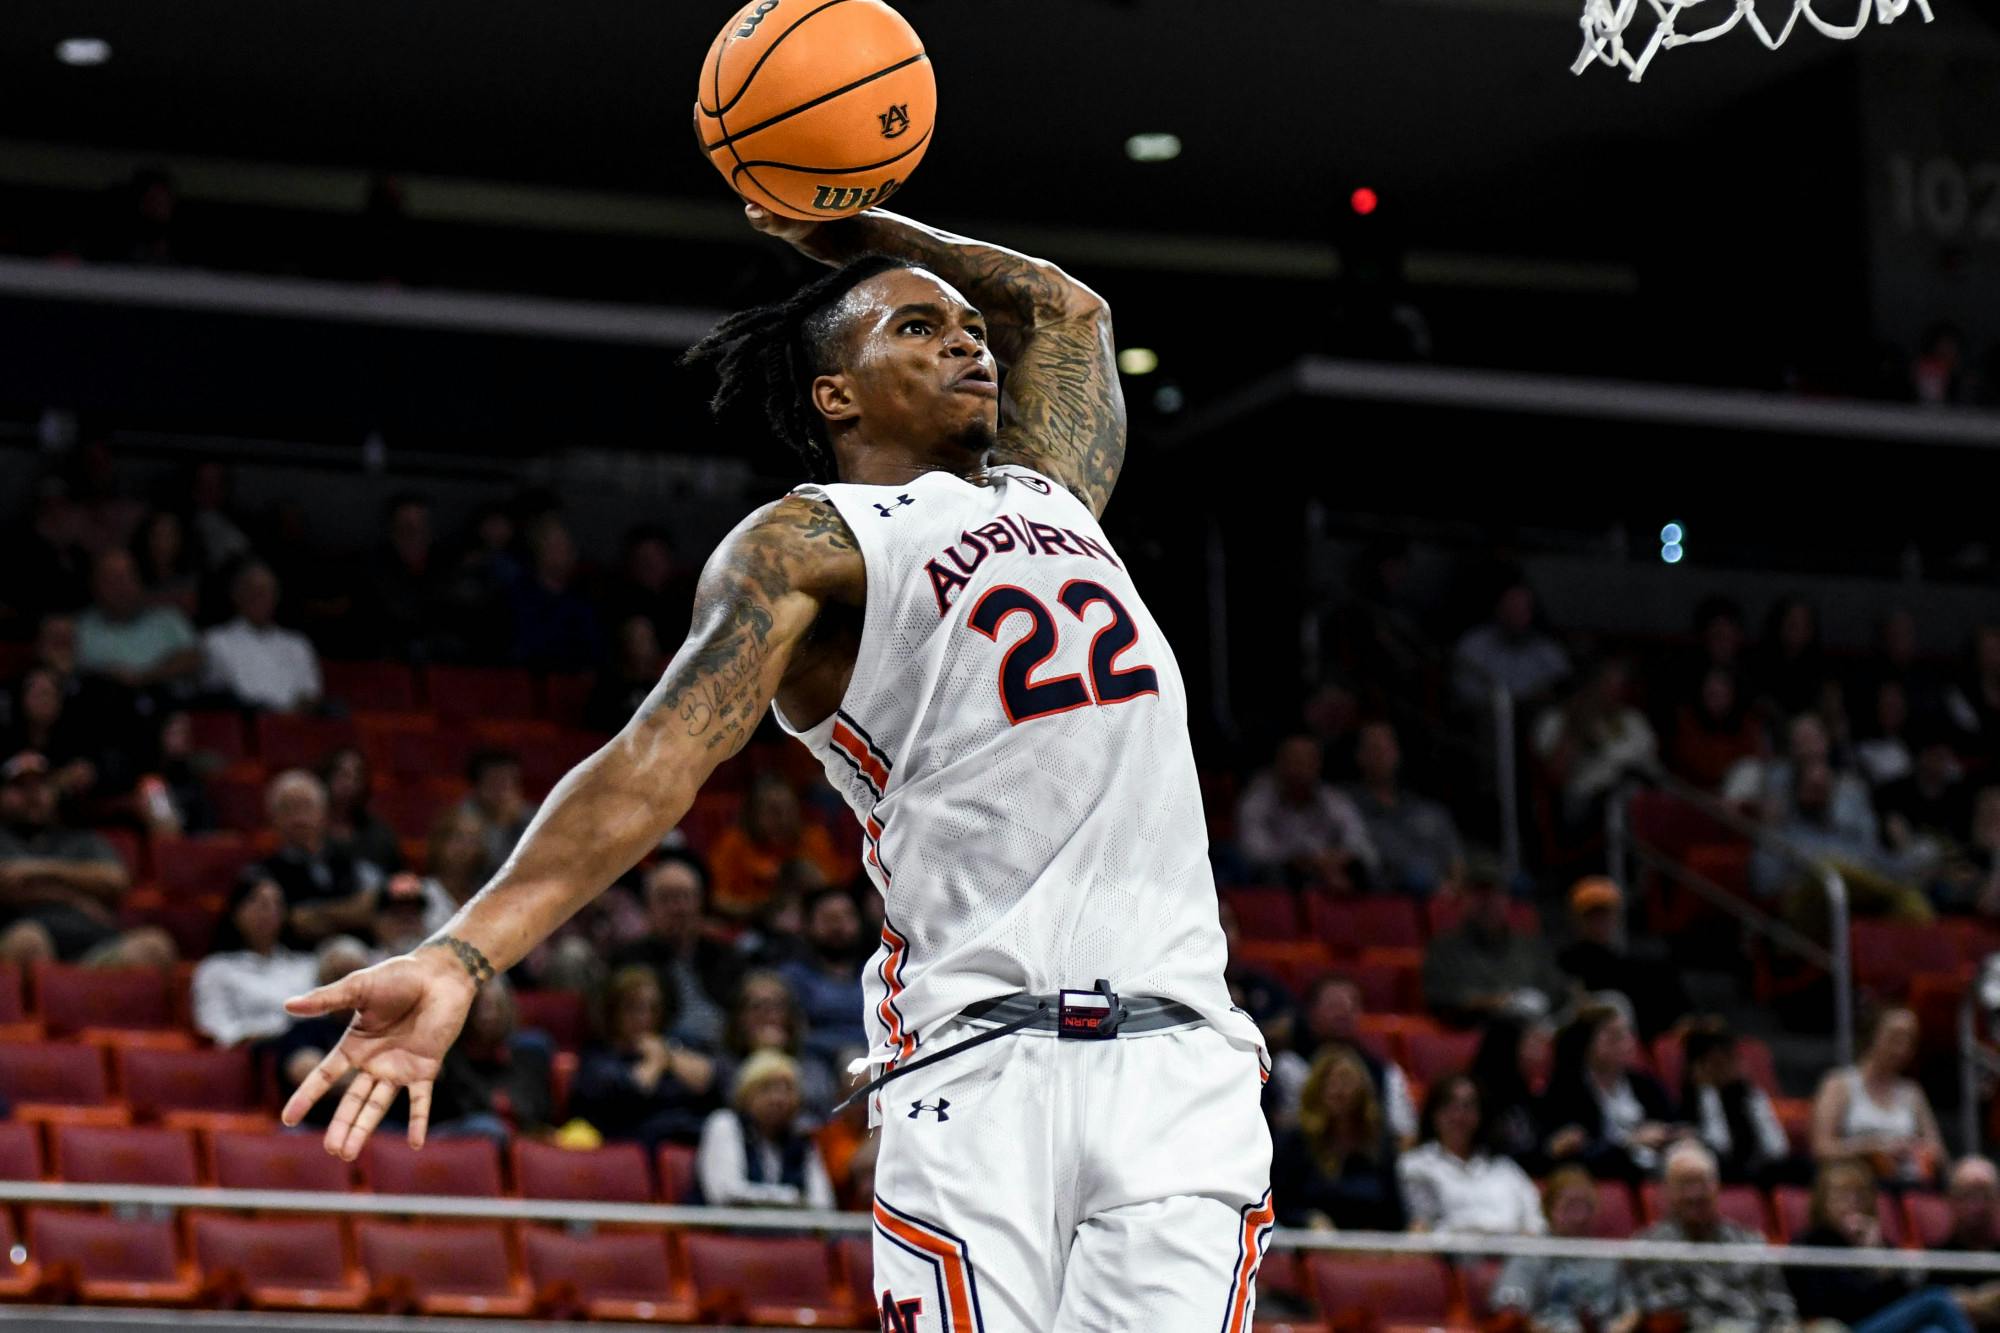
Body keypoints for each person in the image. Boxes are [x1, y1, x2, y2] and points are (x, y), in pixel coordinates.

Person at [279, 203, 1279, 1329]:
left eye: (965, 327)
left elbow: (1063, 307)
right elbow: (654, 758)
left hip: (1180, 1055)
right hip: (980, 1061)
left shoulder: (1055, 494)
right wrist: (465, 954)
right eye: (916, 327)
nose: (967, 342)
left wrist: (860, 232)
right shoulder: (812, 543)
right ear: (834, 395)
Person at [0, 750, 156, 966]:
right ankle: (50, 996)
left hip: (92, 951)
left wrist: (34, 870)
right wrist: (76, 898)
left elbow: (115, 881)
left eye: (41, 785)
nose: (33, 794)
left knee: (153, 946)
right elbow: (6, 885)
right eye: (20, 787)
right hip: (27, 935)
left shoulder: (82, 839)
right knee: (28, 940)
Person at [1787, 1155, 1973, 1333]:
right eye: (1841, 1195)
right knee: (1936, 1299)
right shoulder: (1808, 1245)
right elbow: (1832, 1307)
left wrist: (1875, 1254)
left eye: (1859, 1196)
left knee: (1933, 1331)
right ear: (1822, 1201)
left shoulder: (1876, 1242)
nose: (1852, 1204)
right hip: (1842, 1329)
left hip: (1884, 1326)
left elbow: (1903, 1298)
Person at [1629, 1140, 1800, 1332]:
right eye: (1684, 1183)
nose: (1695, 1194)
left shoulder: (1751, 1241)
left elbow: (1780, 1305)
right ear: (1666, 1191)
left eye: (1702, 1182)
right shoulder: (1648, 1247)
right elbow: (1667, 1311)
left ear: (1717, 1187)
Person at [570, 965, 717, 1147]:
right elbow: (631, 1093)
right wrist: (655, 1062)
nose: (644, 1017)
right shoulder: (598, 1059)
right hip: (629, 1146)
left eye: (652, 1008)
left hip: (686, 1138)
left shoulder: (672, 1044)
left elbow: (708, 1079)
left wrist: (667, 1056)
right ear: (613, 1011)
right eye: (634, 1008)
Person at [610, 853, 742, 1050]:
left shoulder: (726, 956)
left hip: (725, 1052)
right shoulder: (629, 959)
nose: (678, 908)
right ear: (648, 908)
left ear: (700, 904)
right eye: (666, 898)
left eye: (684, 897)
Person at [1266, 974, 1417, 1144]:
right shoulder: (1286, 1065)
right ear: (1310, 1012)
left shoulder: (1384, 1071)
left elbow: (1405, 1133)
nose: (1343, 1012)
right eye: (1334, 1005)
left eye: (1351, 1006)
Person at [1537, 1001, 1678, 1181]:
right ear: (1587, 1042)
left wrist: (1667, 1133)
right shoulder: (1566, 1090)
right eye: (1613, 1036)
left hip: (1656, 1165)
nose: (1624, 1044)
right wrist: (1628, 1143)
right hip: (1604, 1174)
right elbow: (1574, 1148)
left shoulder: (1644, 1084)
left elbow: (1671, 1123)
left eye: (1626, 1035)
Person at [1269, 1046, 1405, 1231]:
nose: (1339, 1090)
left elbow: (1394, 1213)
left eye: (1346, 1081)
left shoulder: (1379, 1144)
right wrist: (1307, 1219)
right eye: (1330, 1081)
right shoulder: (1296, 1141)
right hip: (1306, 1245)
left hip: (1369, 1248)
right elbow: (1279, 1204)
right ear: (1317, 1088)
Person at [1489, 1166, 1638, 1333]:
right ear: (1549, 1209)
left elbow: (1631, 1311)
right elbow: (1512, 1310)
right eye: (1571, 1207)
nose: (1580, 1216)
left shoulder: (1607, 1256)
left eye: (1586, 1207)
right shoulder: (1530, 1253)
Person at [1809, 1005, 1945, 1187]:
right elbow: (1821, 1149)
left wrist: (1916, 1150)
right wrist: (1870, 1148)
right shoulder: (1839, 1084)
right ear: (1873, 1034)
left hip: (1906, 1185)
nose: (1902, 1048)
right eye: (1895, 1037)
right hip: (1854, 1185)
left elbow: (1938, 1153)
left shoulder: (1912, 1093)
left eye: (1910, 1040)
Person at [1397, 1074, 1544, 1235]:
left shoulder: (1505, 1168)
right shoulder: (1415, 1166)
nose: (1459, 1116)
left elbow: (1535, 1221)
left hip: (1513, 1255)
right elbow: (1421, 1227)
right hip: (1451, 1256)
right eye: (1449, 1105)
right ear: (1434, 1113)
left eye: (1468, 1106)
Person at [1421, 871, 1572, 1025]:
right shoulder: (1444, 948)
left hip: (1532, 1032)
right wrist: (1497, 1002)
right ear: (1463, 900)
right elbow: (1439, 997)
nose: (1488, 902)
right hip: (1476, 1033)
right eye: (1479, 894)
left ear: (1506, 899)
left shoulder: (1530, 947)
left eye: (1495, 894)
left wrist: (1538, 1002)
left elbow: (1558, 991)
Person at [694, 1049, 837, 1210]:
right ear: (747, 1095)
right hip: (727, 1233)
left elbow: (823, 1203)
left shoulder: (802, 1139)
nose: (778, 1099)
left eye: (787, 1090)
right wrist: (791, 1198)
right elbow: (725, 1193)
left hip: (786, 1234)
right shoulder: (725, 1123)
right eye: (767, 1088)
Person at [1236, 733, 1379, 892]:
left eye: (1308, 761)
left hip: (1333, 875)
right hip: (1281, 882)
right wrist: (1307, 861)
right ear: (1279, 763)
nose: (1301, 767)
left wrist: (1336, 859)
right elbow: (1254, 851)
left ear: (1318, 765)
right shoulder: (1258, 800)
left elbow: (1363, 846)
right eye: (1294, 760)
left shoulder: (1335, 800)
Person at [191, 871, 320, 1046]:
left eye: (277, 904)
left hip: (315, 1045)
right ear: (236, 912)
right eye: (260, 903)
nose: (270, 912)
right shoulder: (215, 969)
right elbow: (216, 1027)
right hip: (261, 1053)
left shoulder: (306, 965)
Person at [257, 769, 381, 947]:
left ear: (324, 813)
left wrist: (316, 914)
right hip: (291, 961)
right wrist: (347, 913)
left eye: (306, 806)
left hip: (359, 957)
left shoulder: (353, 863)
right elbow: (295, 923)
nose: (299, 818)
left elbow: (371, 908)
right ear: (273, 818)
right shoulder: (262, 873)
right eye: (288, 808)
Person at [1554, 877, 1690, 1040]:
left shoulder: (1622, 959)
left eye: (1605, 914)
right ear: (1578, 920)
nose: (1600, 921)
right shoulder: (1569, 960)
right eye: (1592, 915)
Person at [706, 774, 850, 922]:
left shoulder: (814, 838)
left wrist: (818, 885)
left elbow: (837, 890)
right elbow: (716, 899)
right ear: (753, 814)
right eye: (773, 811)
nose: (783, 818)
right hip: (749, 926)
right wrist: (764, 906)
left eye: (789, 809)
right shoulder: (733, 843)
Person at [1343, 719, 1463, 895]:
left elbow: (1456, 863)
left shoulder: (1428, 811)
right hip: (1379, 902)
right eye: (1374, 749)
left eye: (1386, 749)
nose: (1381, 756)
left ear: (1397, 754)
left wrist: (1451, 889)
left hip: (1436, 901)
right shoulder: (1345, 807)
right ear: (1359, 756)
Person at [428, 979, 553, 1142]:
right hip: (454, 1131)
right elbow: (460, 1109)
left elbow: (538, 1110)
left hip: (512, 1132)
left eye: (493, 1007)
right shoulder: (450, 1057)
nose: (487, 1015)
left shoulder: (525, 1053)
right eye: (479, 1007)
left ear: (506, 1009)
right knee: (489, 1127)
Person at [1678, 1018, 1790, 1186]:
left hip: (1756, 1167)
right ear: (1699, 1066)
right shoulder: (1691, 1099)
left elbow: (1777, 1148)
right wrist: (1707, 1089)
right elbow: (1718, 1144)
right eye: (1713, 1062)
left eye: (1727, 1059)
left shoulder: (1749, 1094)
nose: (1722, 1067)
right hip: (1720, 1169)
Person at [75, 548, 201, 695]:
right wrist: (108, 676)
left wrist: (144, 677)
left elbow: (194, 658)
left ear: (140, 580)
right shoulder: (80, 627)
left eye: (126, 577)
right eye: (111, 580)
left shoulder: (168, 619)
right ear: (95, 585)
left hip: (168, 704)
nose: (120, 587)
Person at [716, 968, 838, 1119]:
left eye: (777, 1006)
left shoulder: (814, 1069)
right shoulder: (725, 1066)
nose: (768, 1014)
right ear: (740, 1018)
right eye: (757, 1006)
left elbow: (824, 1118)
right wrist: (765, 1055)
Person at [202, 561, 322, 713]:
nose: (261, 597)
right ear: (237, 595)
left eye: (267, 591)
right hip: (244, 724)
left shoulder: (297, 644)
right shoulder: (216, 640)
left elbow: (310, 695)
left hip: (294, 727)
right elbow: (217, 695)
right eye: (253, 590)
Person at [774, 884, 868, 1067]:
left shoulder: (880, 975)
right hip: (813, 1065)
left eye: (846, 917)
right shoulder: (792, 979)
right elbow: (793, 1037)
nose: (839, 926)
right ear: (808, 925)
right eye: (829, 918)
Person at [1452, 578, 1571, 711]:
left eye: (1522, 610)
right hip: (1483, 720)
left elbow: (1562, 687)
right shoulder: (1473, 645)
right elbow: (1466, 693)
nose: (1516, 616)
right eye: (1510, 608)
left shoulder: (1546, 650)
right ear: (1498, 609)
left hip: (1533, 721)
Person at [508, 513, 602, 672]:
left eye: (567, 546)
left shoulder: (582, 598)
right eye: (557, 546)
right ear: (538, 550)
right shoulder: (518, 598)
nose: (567, 552)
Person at [1470, 1014, 1554, 1170]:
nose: (1541, 1053)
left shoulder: (1530, 1095)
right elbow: (1489, 1158)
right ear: (1509, 1047)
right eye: (1532, 1044)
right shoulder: (1477, 1099)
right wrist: (1549, 1151)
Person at [1670, 667, 1766, 793]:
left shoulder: (1747, 724)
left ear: (1732, 695)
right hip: (1694, 792)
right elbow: (1693, 763)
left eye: (1722, 694)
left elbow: (1755, 758)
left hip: (1732, 795)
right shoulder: (1687, 721)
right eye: (1712, 694)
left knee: (1750, 770)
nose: (1716, 700)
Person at [1933, 1156, 2000, 1328]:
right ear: (1950, 1199)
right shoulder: (1934, 1258)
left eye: (1985, 1194)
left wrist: (1968, 1303)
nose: (1977, 1204)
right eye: (1967, 1194)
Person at [321, 747, 403, 877]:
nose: (349, 783)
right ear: (327, 777)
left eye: (356, 778)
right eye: (343, 774)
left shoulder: (379, 835)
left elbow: (397, 879)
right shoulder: (310, 829)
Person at [416, 806, 491, 939]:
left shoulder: (487, 899)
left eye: (472, 840)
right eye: (457, 838)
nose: (464, 848)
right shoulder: (419, 894)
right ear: (439, 843)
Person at [457, 749, 533, 870]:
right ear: (477, 786)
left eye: (510, 782)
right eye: (495, 782)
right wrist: (502, 822)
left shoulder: (532, 816)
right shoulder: (460, 820)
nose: (503, 791)